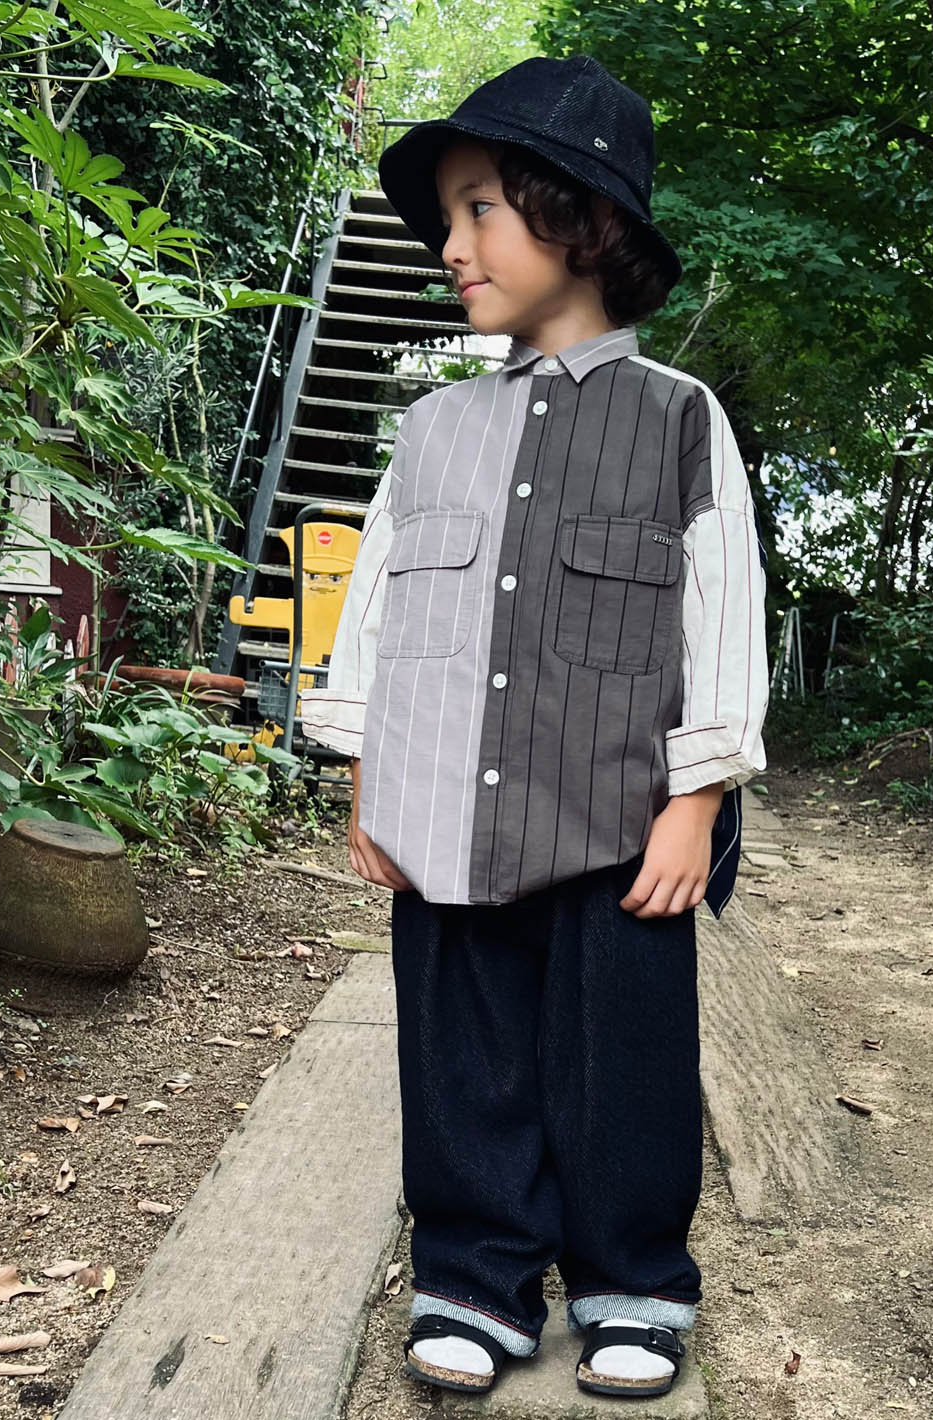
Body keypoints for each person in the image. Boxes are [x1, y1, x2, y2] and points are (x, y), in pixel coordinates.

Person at [301, 54, 769, 1402]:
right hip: (443, 807)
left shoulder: (679, 420)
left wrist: (696, 800)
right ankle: (474, 1278)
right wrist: (370, 774)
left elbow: (721, 615)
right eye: (446, 218)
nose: (451, 247)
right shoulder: (431, 430)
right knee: (460, 1058)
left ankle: (633, 1286)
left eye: (481, 210)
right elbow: (377, 609)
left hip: (619, 824)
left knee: (624, 1066)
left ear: (584, 221)